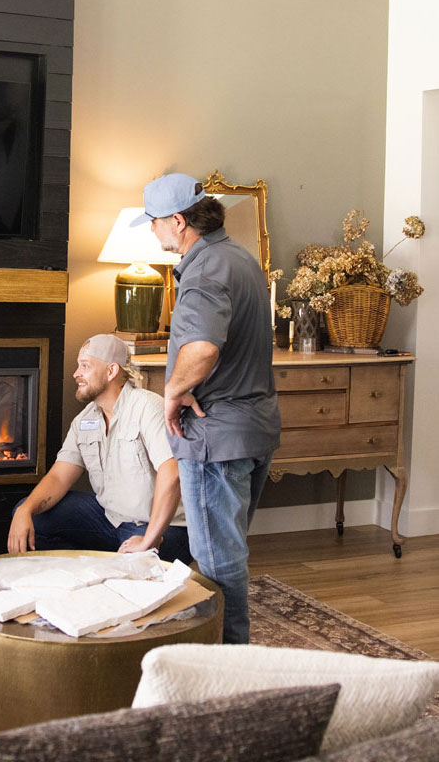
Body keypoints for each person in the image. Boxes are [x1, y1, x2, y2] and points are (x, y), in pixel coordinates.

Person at [131, 173, 281, 643]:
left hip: (216, 434)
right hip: (254, 428)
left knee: (217, 559)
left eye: (154, 223)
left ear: (178, 222)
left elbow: (202, 349)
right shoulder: (240, 259)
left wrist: (172, 393)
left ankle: (228, 661)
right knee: (227, 551)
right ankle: (227, 651)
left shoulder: (204, 270)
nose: (153, 232)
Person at [7, 334, 191, 564]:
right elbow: (58, 476)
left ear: (111, 371)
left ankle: (117, 568)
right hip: (109, 520)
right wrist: (26, 510)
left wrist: (149, 540)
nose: (76, 374)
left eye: (85, 366)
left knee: (137, 563)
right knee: (29, 515)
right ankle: (88, 573)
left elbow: (172, 472)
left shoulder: (147, 407)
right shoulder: (84, 421)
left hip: (162, 529)